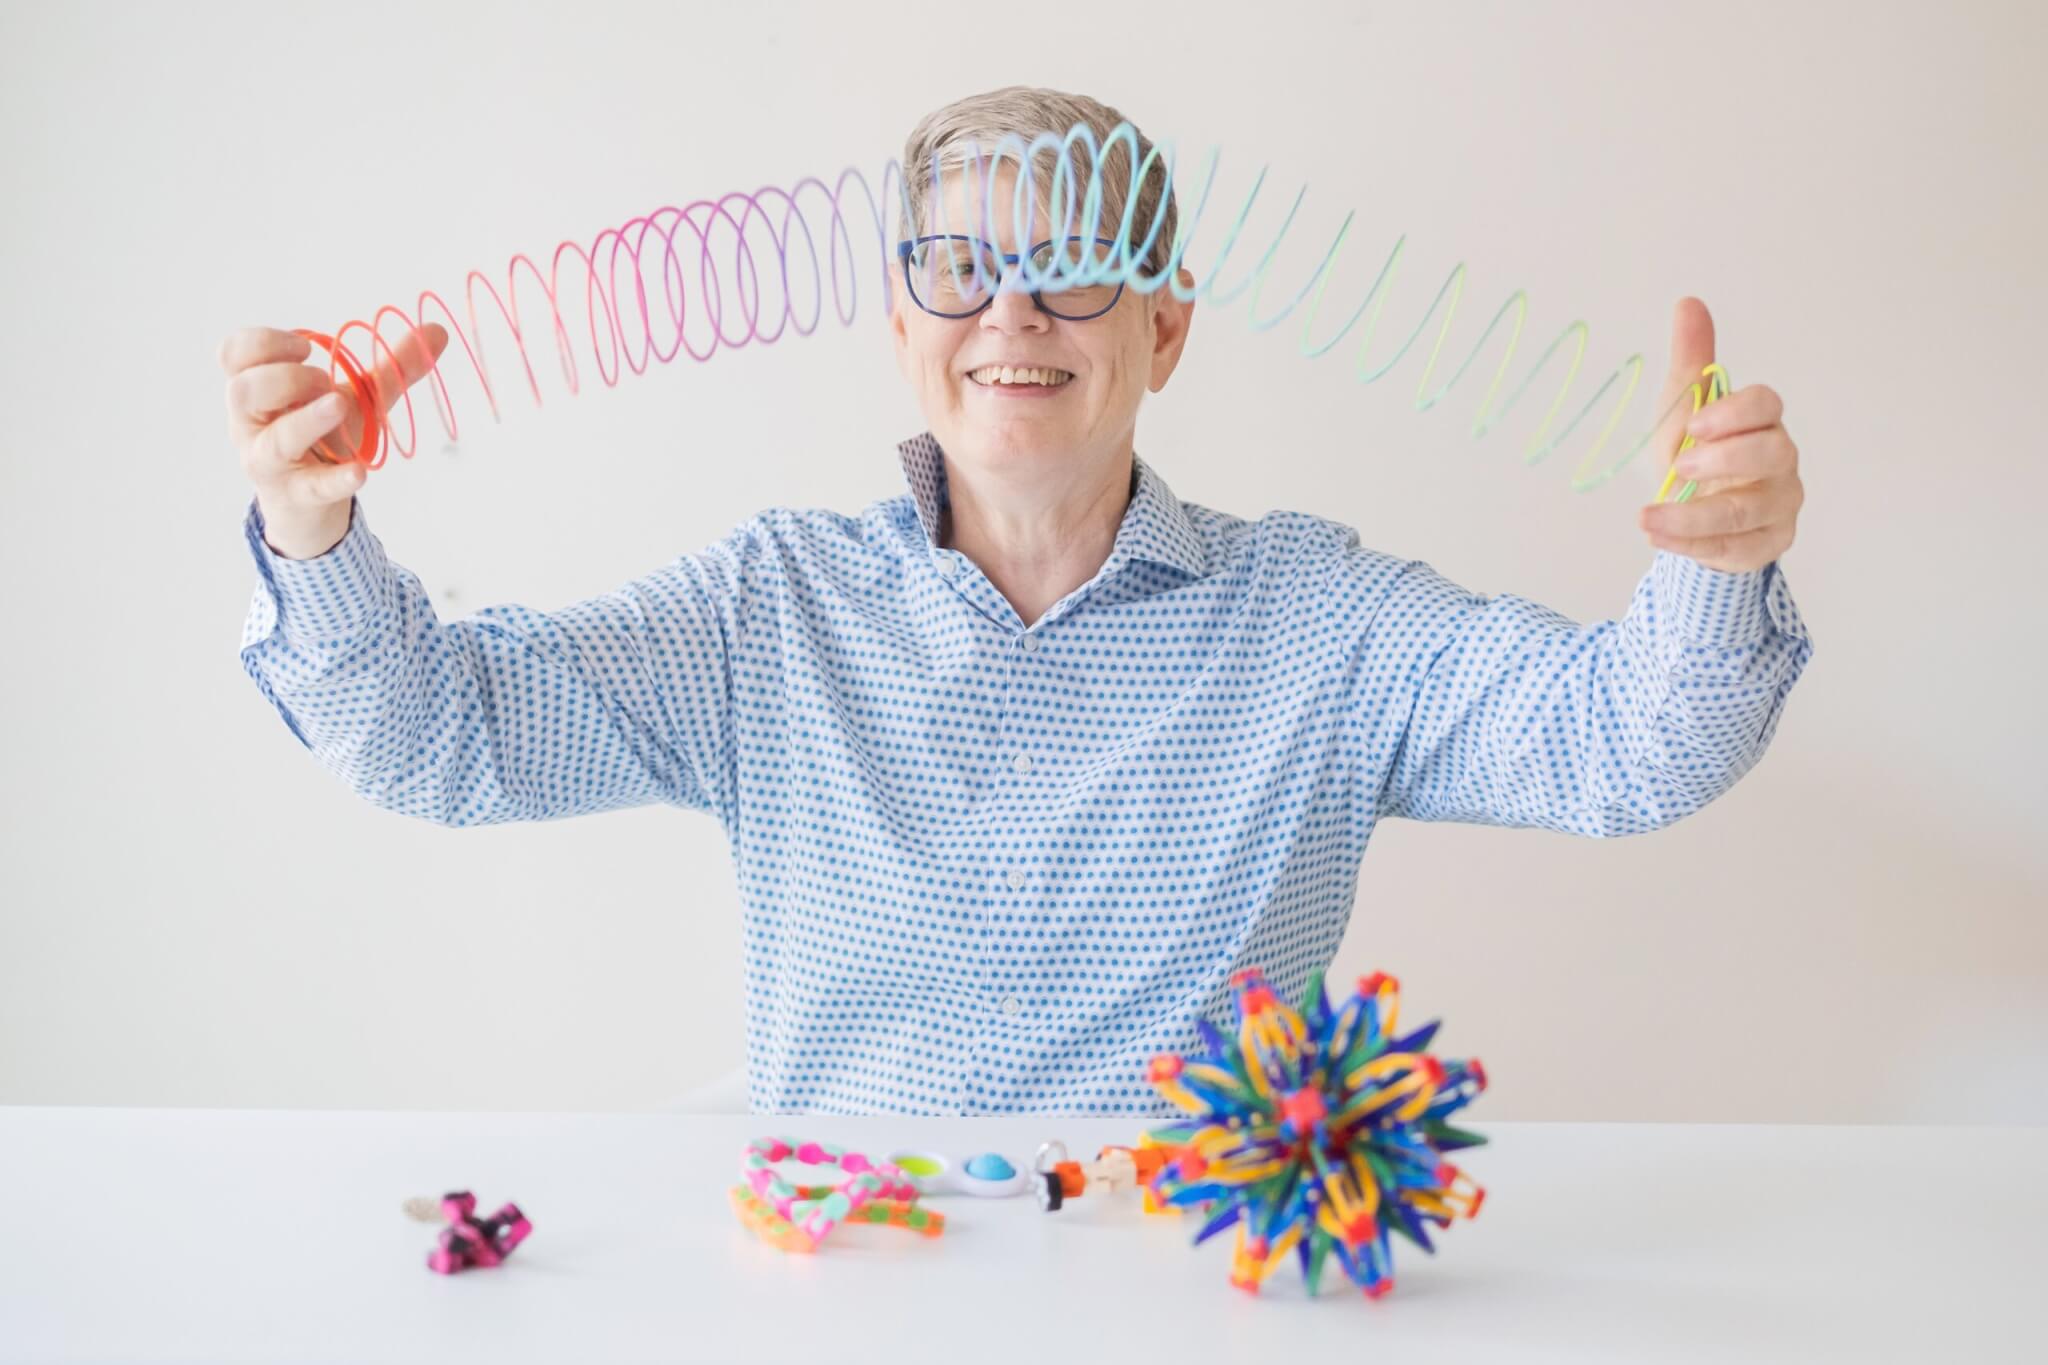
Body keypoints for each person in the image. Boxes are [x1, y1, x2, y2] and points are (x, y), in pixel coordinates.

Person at [225, 86, 1811, 1116]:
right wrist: (311, 524)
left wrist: (1715, 560)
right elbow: (439, 738)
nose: (1012, 313)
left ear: (1164, 330)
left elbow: (1628, 744)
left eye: (1074, 267)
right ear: (901, 320)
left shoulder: (1321, 623)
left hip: (1197, 1295)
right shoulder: (772, 610)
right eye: (959, 268)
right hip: (847, 1283)